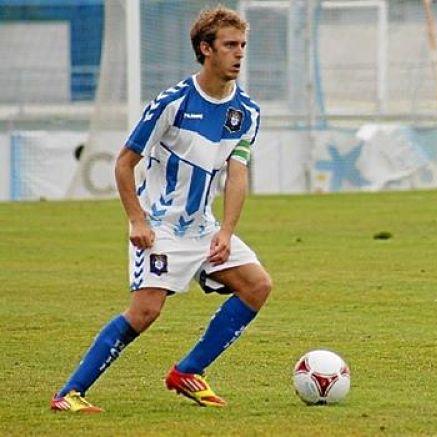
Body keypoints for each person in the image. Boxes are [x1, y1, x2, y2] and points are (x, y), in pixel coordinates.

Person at [50, 5, 271, 413]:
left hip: (203, 229)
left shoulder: (248, 113)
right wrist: (137, 219)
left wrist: (225, 230)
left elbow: (236, 175)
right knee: (146, 311)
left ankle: (188, 371)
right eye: (229, 45)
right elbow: (124, 162)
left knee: (257, 286)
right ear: (206, 49)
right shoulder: (173, 103)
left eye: (242, 45)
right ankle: (69, 394)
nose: (239, 54)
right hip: (161, 227)